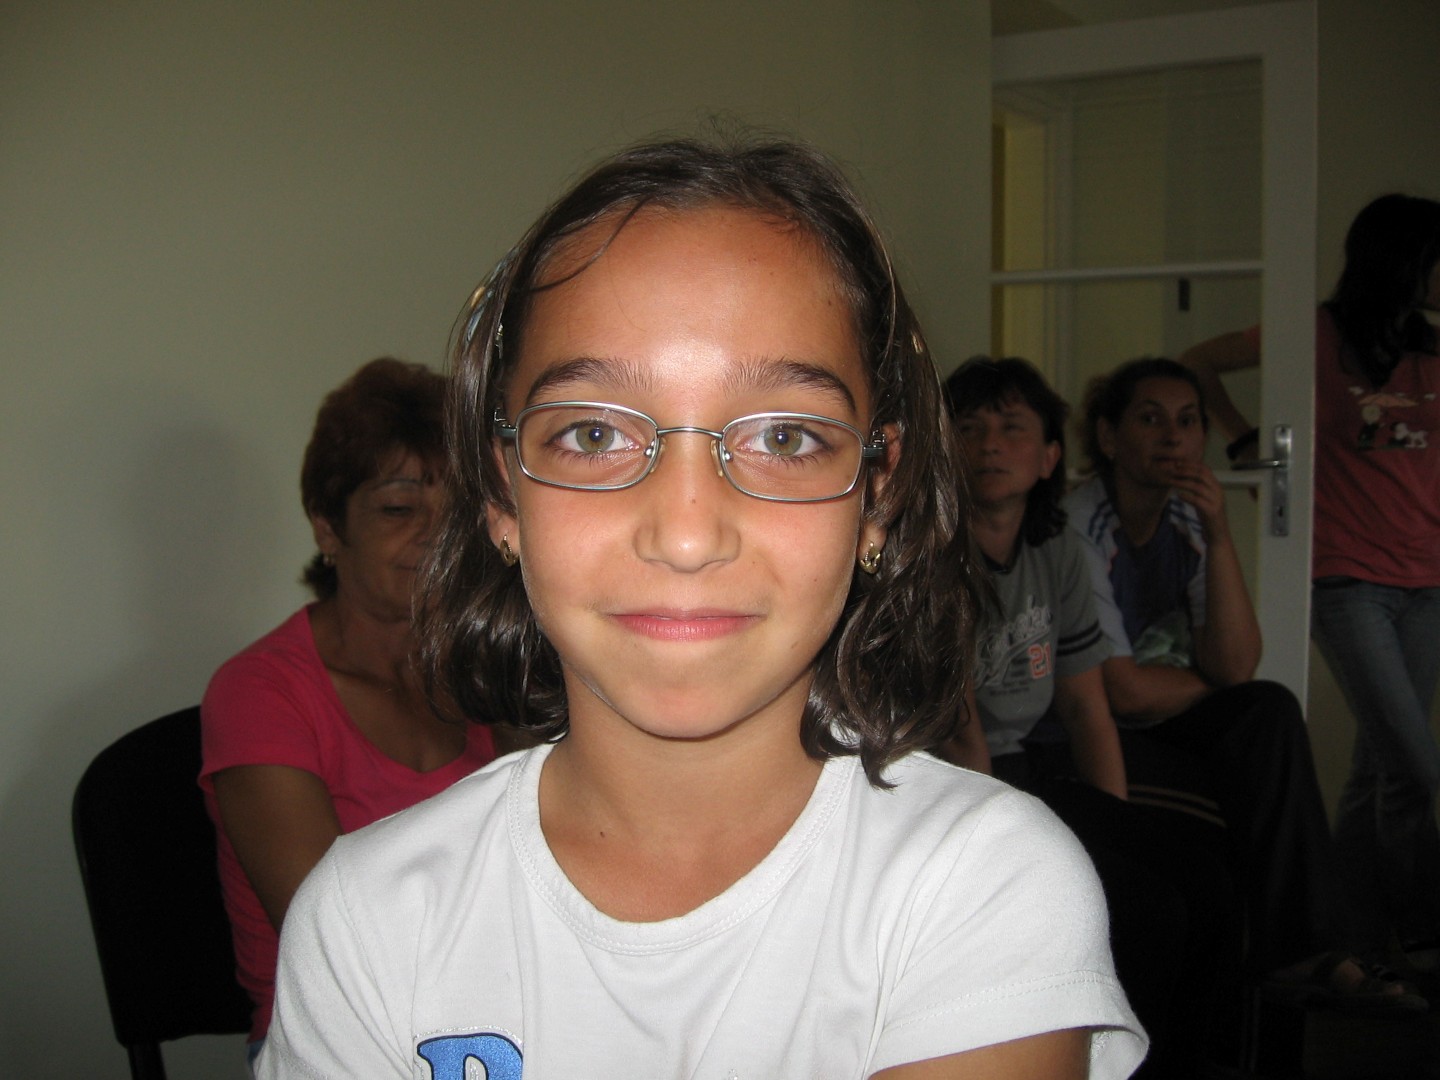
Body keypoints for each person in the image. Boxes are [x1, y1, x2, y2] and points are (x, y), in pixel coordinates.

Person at [256, 138, 1147, 1079]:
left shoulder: (980, 885)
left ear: (876, 496)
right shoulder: (370, 917)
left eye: (786, 436)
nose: (686, 535)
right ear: (502, 494)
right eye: (591, 433)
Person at [1066, 356, 1425, 1012]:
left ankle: (1308, 952)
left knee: (1269, 710)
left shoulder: (1187, 520)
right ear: (1110, 437)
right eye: (1150, 420)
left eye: (1188, 422)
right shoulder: (1081, 525)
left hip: (1163, 706)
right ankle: (1302, 954)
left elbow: (1235, 666)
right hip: (1093, 727)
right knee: (1247, 726)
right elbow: (1122, 693)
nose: (1173, 438)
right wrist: (1208, 685)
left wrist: (1221, 534)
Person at [943, 356, 1241, 1077]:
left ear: (1049, 457)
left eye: (1012, 429)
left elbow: (1084, 704)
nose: (989, 445)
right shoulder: (931, 556)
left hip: (1032, 773)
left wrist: (1115, 821)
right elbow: (959, 733)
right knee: (1143, 909)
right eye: (969, 429)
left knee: (1208, 881)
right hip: (959, 783)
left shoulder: (1058, 551)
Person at [200, 358, 498, 1061]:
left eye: (453, 512)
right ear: (329, 529)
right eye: (398, 509)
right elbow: (330, 936)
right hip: (337, 1034)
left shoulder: (486, 669)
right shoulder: (258, 693)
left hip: (487, 1008)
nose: (434, 536)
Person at [1180, 193, 1440, 977]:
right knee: (1416, 766)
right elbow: (1199, 361)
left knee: (1379, 766)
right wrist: (1246, 439)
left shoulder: (1430, 344)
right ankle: (1423, 932)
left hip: (1429, 578)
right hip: (1348, 577)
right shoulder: (1315, 336)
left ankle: (1351, 939)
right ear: (1405, 261)